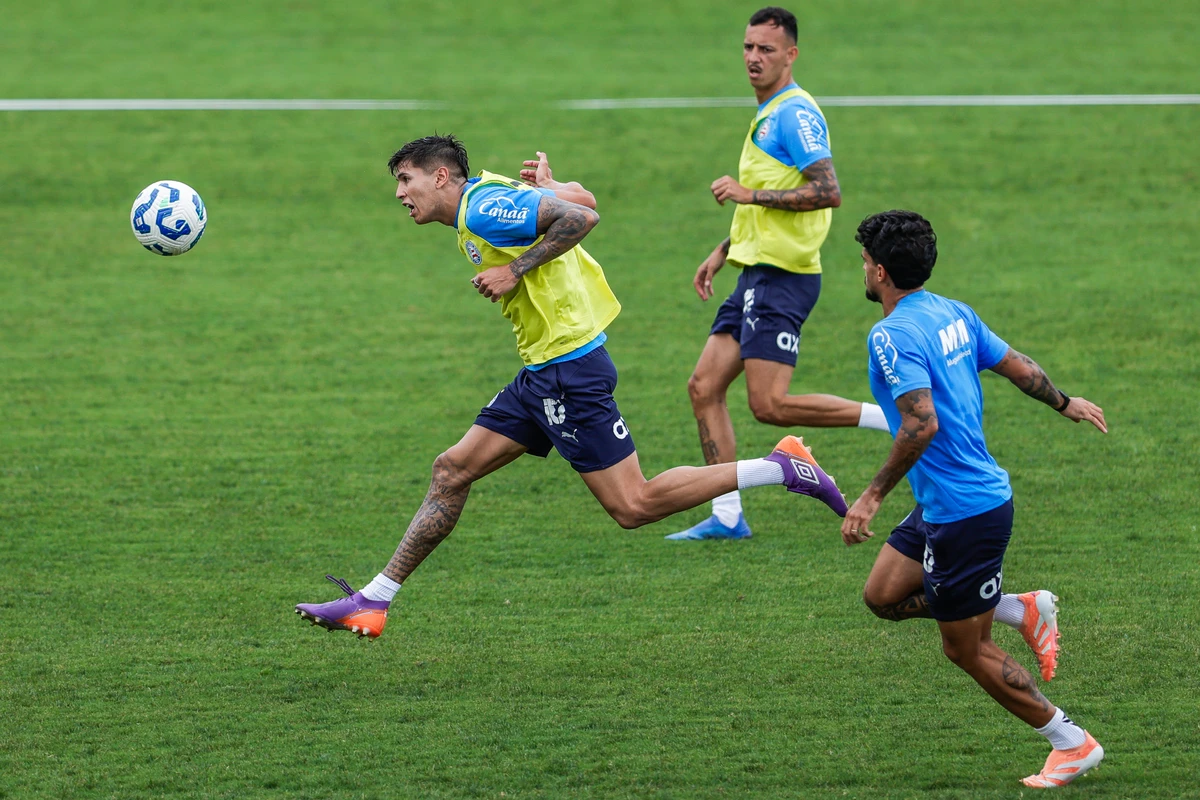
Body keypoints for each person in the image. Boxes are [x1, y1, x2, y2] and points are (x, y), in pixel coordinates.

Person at [295, 135, 848, 639]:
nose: (399, 193)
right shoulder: (486, 196)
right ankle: (375, 601)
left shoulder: (484, 207)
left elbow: (581, 221)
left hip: (569, 372)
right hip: (542, 371)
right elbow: (579, 201)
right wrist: (557, 188)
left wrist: (516, 269)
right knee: (452, 469)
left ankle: (780, 467)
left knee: (634, 504)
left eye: (406, 180)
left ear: (440, 178)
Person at [842, 209, 1107, 788]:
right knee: (884, 595)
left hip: (967, 512)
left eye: (864, 262)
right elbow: (1017, 366)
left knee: (966, 648)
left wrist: (869, 497)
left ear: (881, 272)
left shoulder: (892, 334)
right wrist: (1065, 402)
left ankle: (1071, 742)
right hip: (946, 501)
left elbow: (920, 424)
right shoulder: (952, 313)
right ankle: (1019, 607)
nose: (861, 269)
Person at [669, 6, 889, 542]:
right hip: (755, 271)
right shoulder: (768, 112)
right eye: (748, 47)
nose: (753, 57)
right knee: (703, 386)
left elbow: (827, 190)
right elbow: (772, 195)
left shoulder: (794, 114)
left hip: (783, 277)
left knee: (769, 405)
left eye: (766, 49)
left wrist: (749, 195)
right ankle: (727, 517)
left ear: (791, 55)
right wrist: (726, 247)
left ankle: (894, 419)